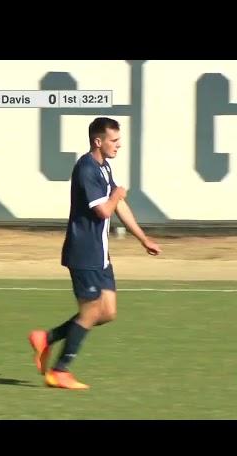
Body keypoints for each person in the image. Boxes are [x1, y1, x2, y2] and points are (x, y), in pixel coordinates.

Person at [28, 117, 162, 389]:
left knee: (107, 312)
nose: (119, 145)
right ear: (98, 141)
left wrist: (142, 238)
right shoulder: (86, 169)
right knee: (90, 312)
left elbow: (119, 207)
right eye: (114, 140)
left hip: (100, 254)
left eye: (118, 139)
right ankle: (60, 371)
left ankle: (47, 337)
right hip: (83, 252)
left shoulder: (104, 167)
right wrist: (117, 196)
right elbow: (103, 210)